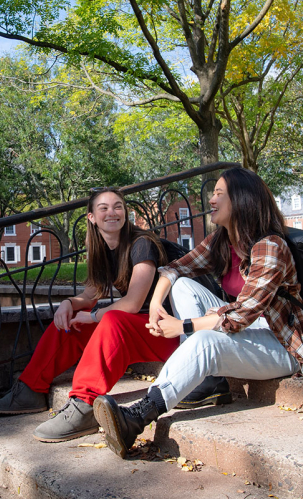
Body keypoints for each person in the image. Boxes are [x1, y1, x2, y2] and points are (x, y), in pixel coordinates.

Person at [0, 187, 227, 442]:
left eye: (118, 207)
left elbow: (133, 303)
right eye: (104, 208)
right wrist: (70, 303)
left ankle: (84, 404)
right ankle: (30, 388)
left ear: (126, 213)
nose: (112, 212)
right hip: (153, 328)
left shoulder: (141, 244)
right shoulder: (101, 246)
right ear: (91, 216)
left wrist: (92, 316)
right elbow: (92, 294)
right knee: (70, 324)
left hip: (183, 333)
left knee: (111, 320)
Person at [93, 168, 303, 459]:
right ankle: (205, 379)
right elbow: (175, 269)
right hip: (247, 329)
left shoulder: (270, 247)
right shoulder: (223, 240)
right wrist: (155, 304)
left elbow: (241, 315)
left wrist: (183, 326)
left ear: (241, 200)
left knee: (205, 341)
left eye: (219, 193)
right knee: (181, 286)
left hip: (282, 345)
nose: (211, 199)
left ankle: (137, 417)